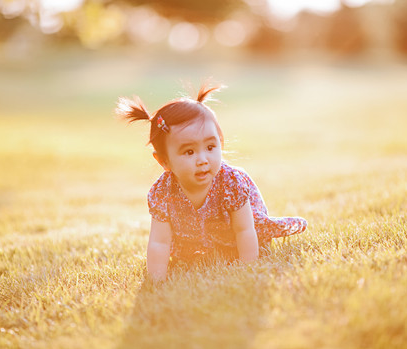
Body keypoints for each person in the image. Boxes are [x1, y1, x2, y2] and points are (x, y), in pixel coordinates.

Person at [115, 83, 307, 283]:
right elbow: (159, 242)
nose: (202, 159)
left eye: (210, 147)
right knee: (191, 257)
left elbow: (244, 229)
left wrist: (248, 269)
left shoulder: (231, 182)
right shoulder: (162, 192)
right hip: (196, 237)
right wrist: (156, 281)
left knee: (248, 240)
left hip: (238, 230)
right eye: (189, 152)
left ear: (220, 143)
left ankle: (230, 249)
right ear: (164, 161)